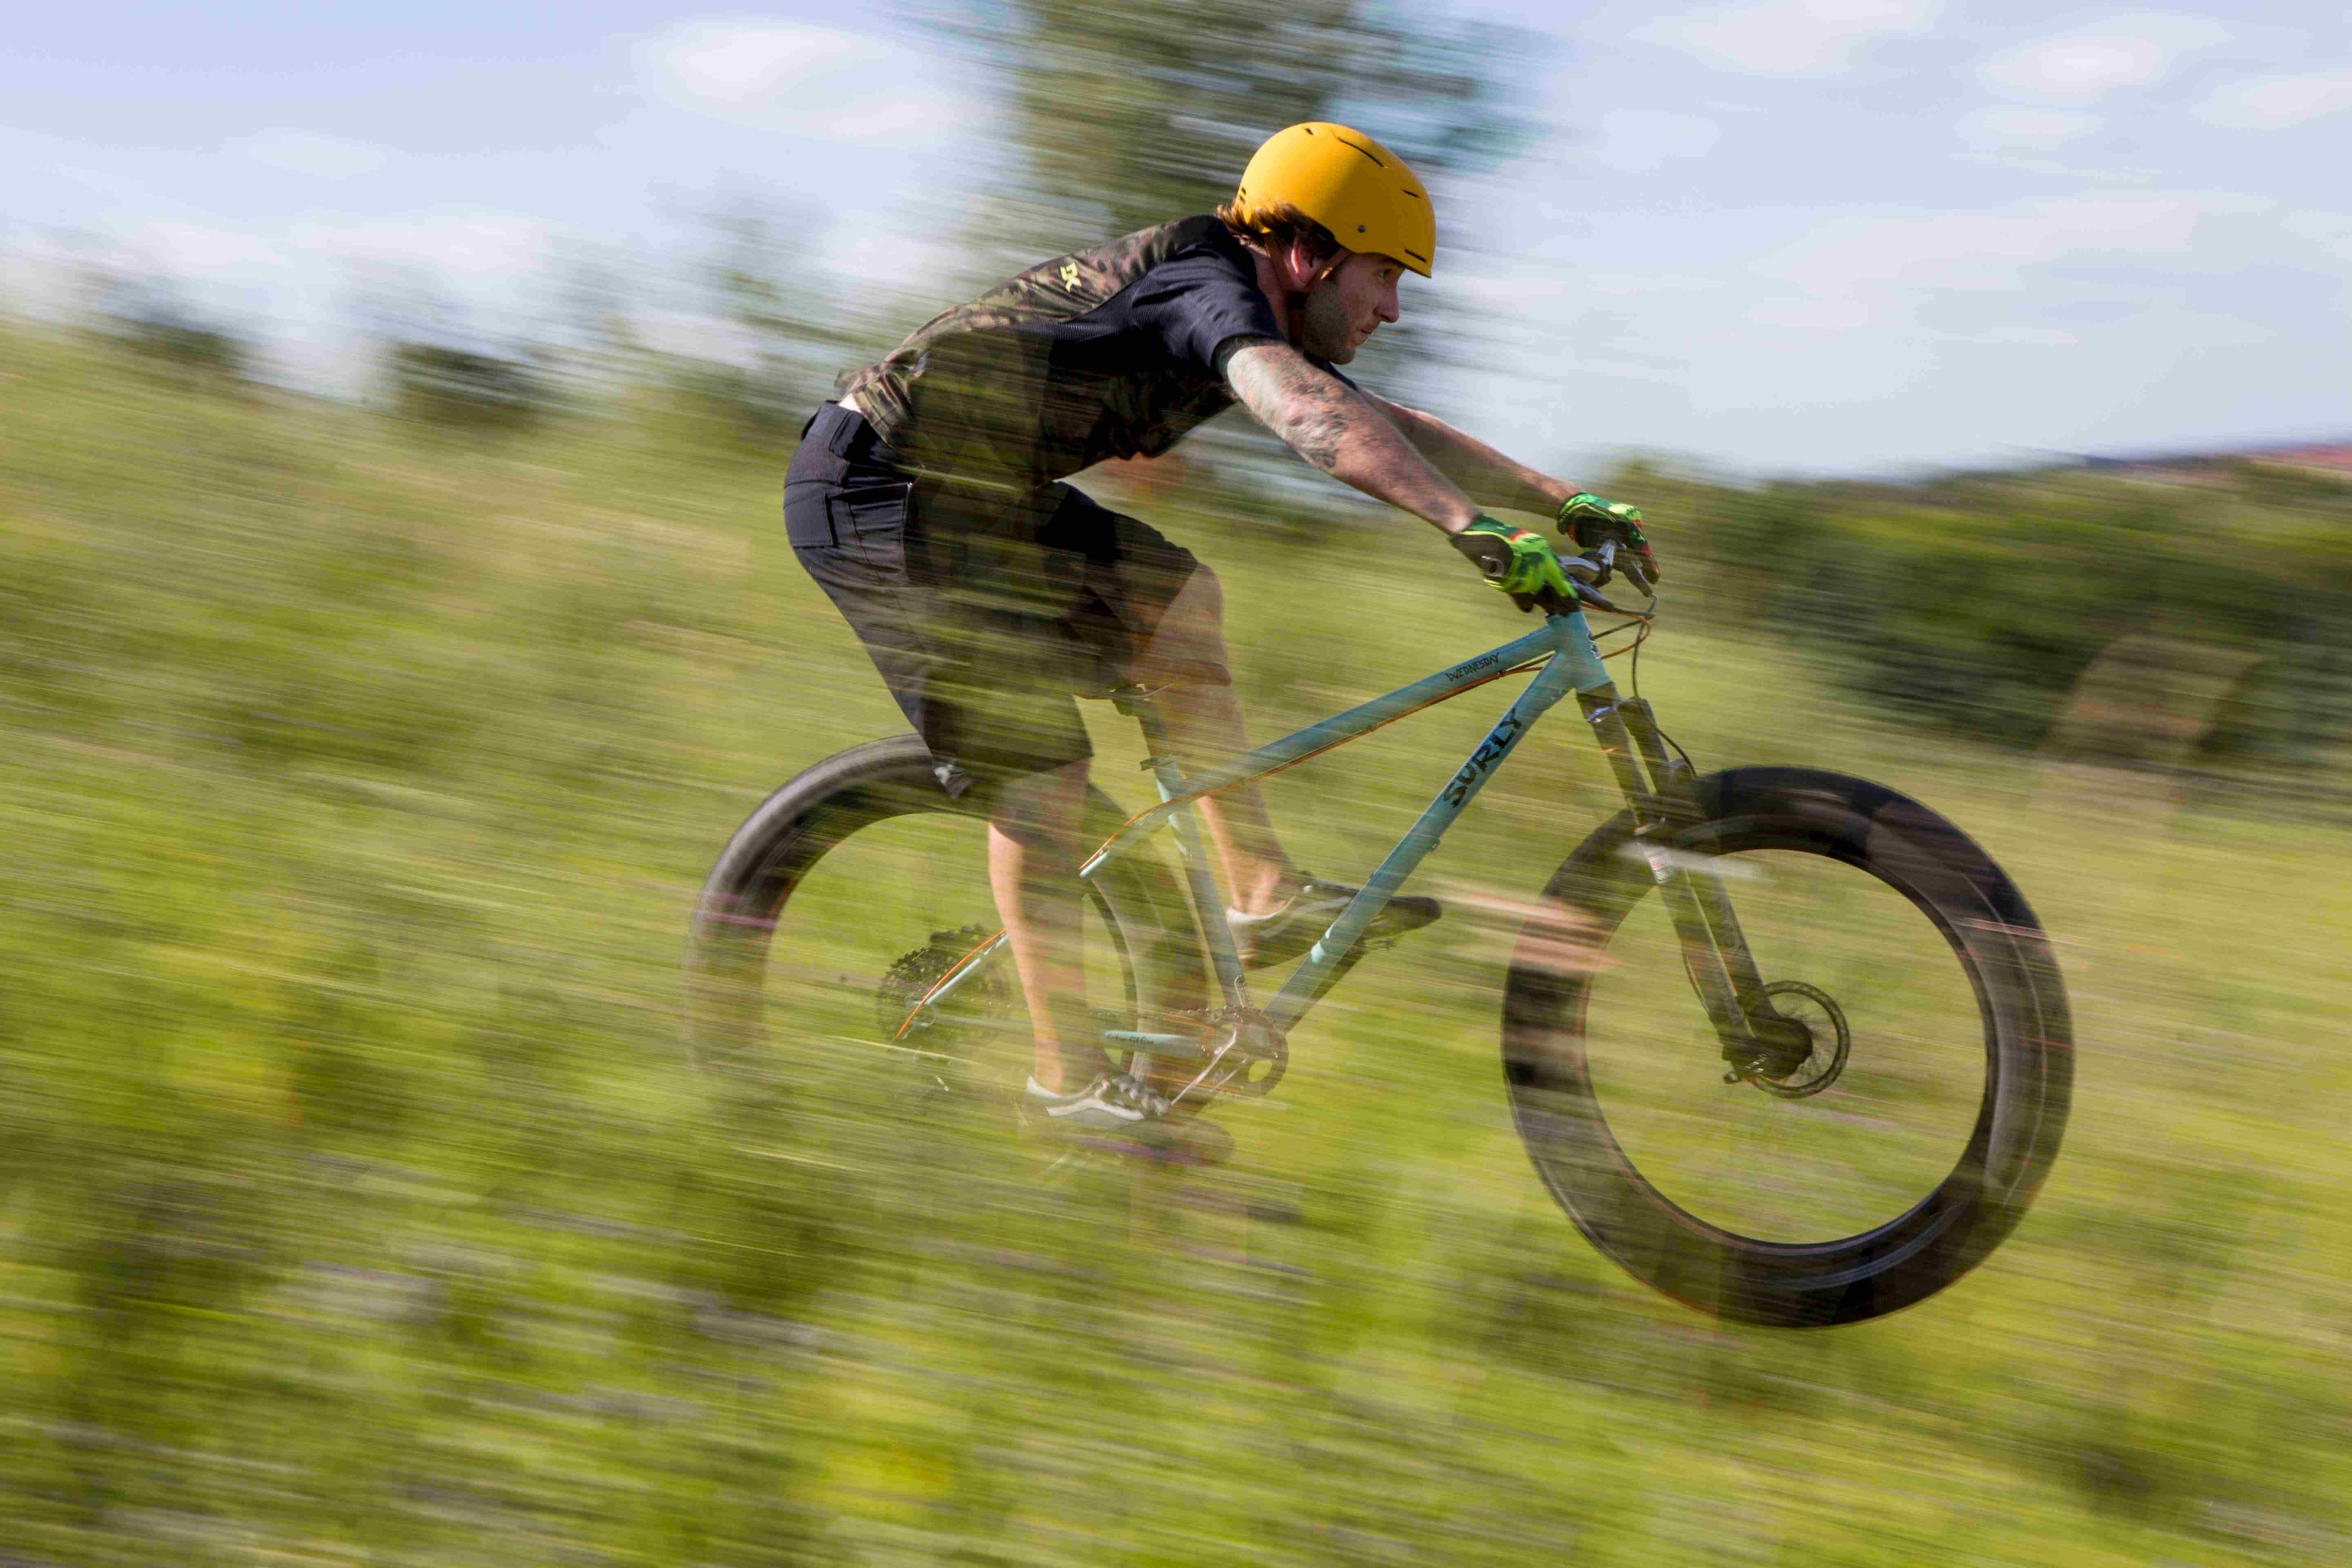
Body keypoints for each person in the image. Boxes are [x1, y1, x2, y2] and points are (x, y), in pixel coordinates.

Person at [784, 122, 1658, 1138]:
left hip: (977, 500)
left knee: (1177, 606)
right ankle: (1064, 1087)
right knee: (1042, 772)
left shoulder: (1249, 308)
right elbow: (1307, 416)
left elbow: (1376, 417)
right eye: (1383, 275)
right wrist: (1466, 527)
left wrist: (1563, 500)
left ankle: (1259, 890)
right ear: (1308, 253)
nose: (1391, 308)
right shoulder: (1207, 286)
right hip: (877, 489)